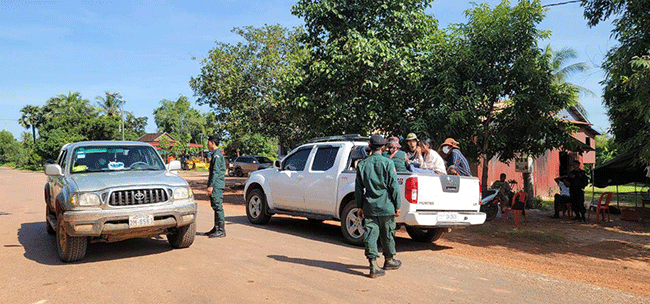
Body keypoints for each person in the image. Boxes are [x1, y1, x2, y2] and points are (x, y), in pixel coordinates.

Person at [355, 135, 402, 278]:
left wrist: (359, 206)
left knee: (370, 234)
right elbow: (394, 186)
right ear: (383, 147)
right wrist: (397, 205)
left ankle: (373, 265)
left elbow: (358, 188)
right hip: (386, 204)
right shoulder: (388, 163)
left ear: (369, 145)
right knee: (387, 233)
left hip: (370, 205)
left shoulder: (362, 164)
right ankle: (389, 260)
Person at [205, 135, 227, 238]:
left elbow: (215, 172)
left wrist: (211, 186)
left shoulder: (217, 155)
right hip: (216, 184)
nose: (207, 144)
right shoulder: (215, 154)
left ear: (212, 142)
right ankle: (216, 227)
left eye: (208, 142)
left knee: (218, 206)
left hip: (217, 185)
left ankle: (221, 230)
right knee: (215, 206)